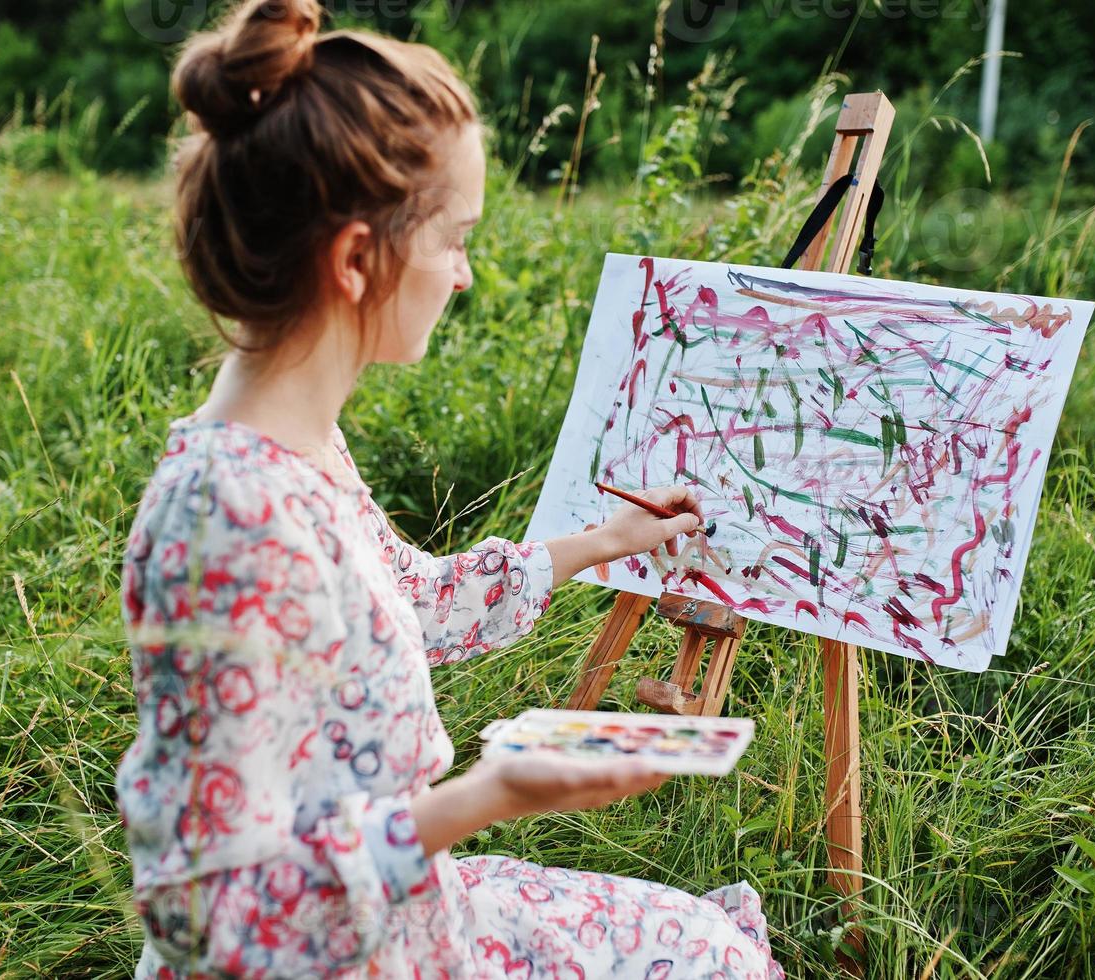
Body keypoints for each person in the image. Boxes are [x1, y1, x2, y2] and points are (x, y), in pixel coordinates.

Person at [114, 1, 783, 976]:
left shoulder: (293, 450)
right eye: (455, 239)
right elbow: (213, 918)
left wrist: (603, 539)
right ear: (355, 258)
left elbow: (408, 598)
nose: (463, 276)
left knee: (698, 940)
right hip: (344, 951)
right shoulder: (229, 519)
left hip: (408, 908)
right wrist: (492, 793)